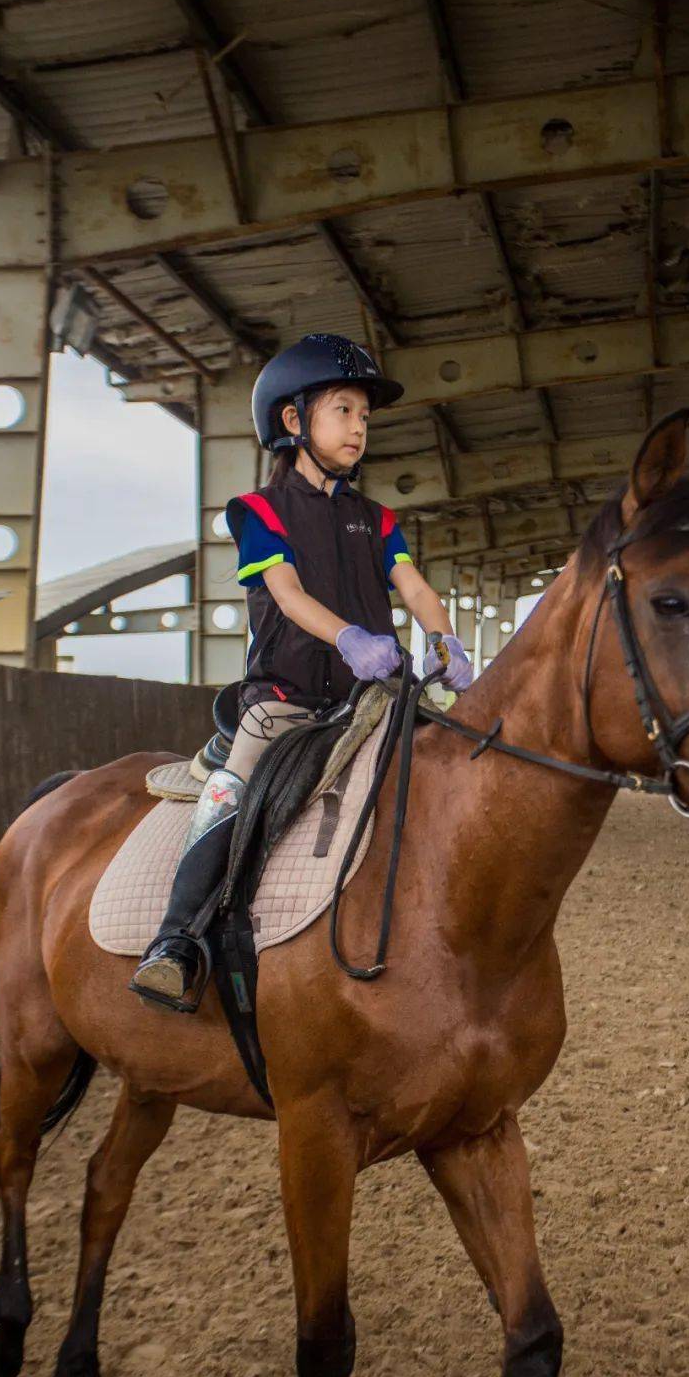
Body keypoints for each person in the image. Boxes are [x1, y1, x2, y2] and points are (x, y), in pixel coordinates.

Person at [131, 334, 472, 1013]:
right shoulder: (256, 512)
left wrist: (443, 638)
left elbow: (414, 586)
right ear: (294, 421)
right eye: (343, 411)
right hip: (285, 702)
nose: (357, 428)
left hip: (370, 699)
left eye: (364, 418)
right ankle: (172, 945)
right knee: (233, 789)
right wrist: (347, 635)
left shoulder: (376, 519)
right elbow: (285, 593)